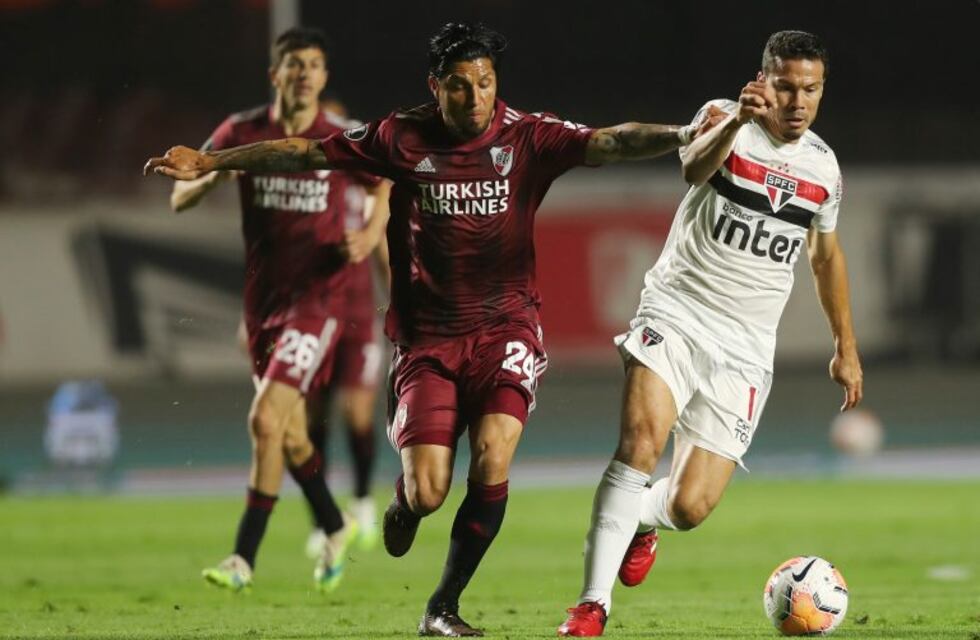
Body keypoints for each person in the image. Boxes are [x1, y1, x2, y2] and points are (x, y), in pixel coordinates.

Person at [146, 22, 711, 636]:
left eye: (486, 84)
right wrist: (213, 161)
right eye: (461, 87)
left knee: (493, 457)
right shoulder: (399, 137)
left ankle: (442, 607)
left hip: (506, 330)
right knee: (430, 491)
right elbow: (307, 151)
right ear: (435, 87)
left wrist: (683, 135)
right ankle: (405, 503)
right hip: (427, 343)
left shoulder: (526, 137)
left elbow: (611, 141)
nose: (476, 100)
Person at [556, 30, 863, 636]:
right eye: (786, 87)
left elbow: (824, 257)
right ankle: (592, 605)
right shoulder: (723, 119)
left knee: (690, 507)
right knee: (640, 443)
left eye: (811, 89)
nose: (798, 101)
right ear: (763, 80)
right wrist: (731, 126)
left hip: (745, 348)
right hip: (677, 311)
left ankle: (642, 521)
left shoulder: (824, 168)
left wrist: (844, 347)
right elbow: (693, 169)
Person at [168, 27, 391, 594]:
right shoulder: (244, 133)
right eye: (294, 65)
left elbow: (386, 179)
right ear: (276, 75)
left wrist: (369, 233)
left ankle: (243, 557)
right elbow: (183, 193)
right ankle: (335, 525)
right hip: (262, 303)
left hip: (319, 302)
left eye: (314, 65)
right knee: (290, 437)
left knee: (264, 420)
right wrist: (205, 176)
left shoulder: (340, 136)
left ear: (323, 76)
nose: (305, 74)